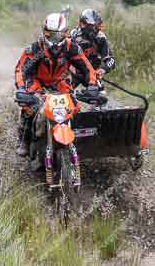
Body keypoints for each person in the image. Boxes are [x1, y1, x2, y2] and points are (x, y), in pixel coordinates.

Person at [14, 12, 99, 158]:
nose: (53, 39)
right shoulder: (35, 49)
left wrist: (92, 86)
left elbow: (88, 68)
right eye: (49, 34)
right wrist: (22, 89)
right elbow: (21, 70)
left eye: (57, 35)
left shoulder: (72, 48)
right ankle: (25, 139)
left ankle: (74, 138)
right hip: (37, 81)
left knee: (74, 107)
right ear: (44, 32)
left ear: (65, 33)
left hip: (59, 81)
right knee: (30, 107)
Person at [70, 8, 115, 86]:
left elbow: (110, 60)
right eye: (95, 27)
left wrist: (102, 70)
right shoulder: (74, 35)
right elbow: (63, 57)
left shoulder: (100, 38)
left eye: (98, 26)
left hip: (92, 74)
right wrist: (71, 69)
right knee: (63, 94)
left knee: (100, 95)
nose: (97, 29)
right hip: (73, 73)